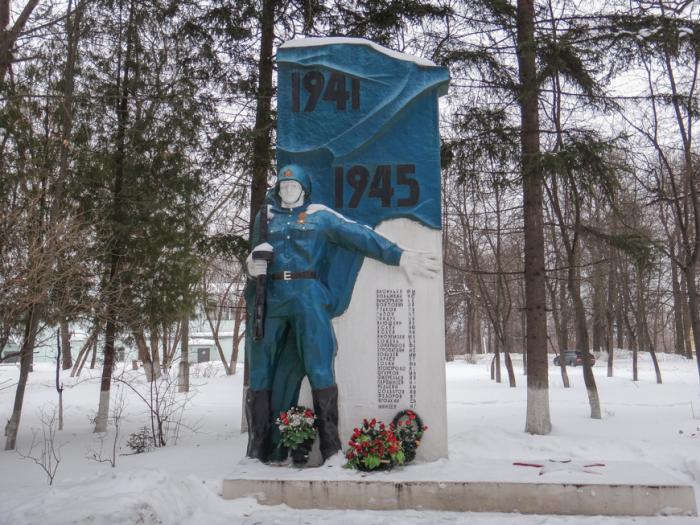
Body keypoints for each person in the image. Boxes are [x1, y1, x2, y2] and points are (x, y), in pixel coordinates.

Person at [244, 164, 438, 464]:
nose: (288, 190)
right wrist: (251, 265)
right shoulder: (265, 217)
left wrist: (399, 256)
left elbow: (358, 235)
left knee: (319, 363)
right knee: (260, 367)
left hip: (308, 294)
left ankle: (331, 448)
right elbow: (254, 252)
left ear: (304, 189)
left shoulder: (321, 216)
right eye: (283, 186)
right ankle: (257, 448)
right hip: (270, 297)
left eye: (294, 186)